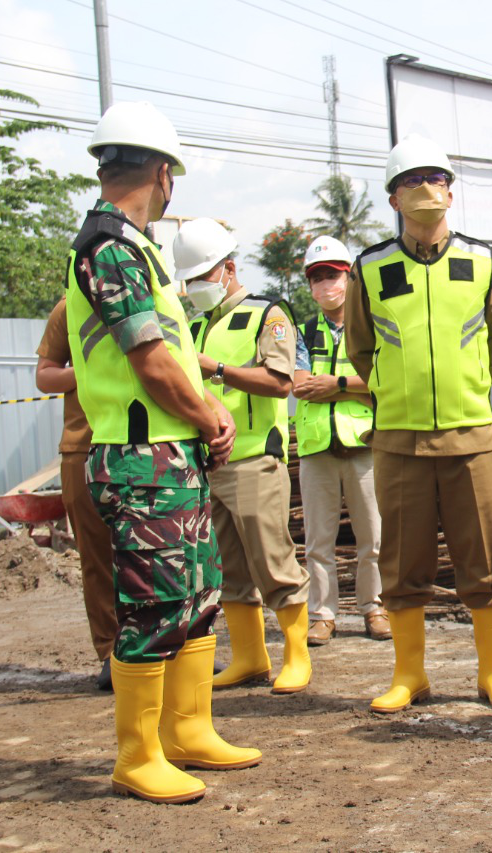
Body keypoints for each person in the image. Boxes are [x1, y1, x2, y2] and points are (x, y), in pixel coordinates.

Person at [67, 101, 259, 803]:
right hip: (140, 455)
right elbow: (150, 360)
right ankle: (137, 753)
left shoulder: (138, 246)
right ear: (160, 171)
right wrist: (208, 411)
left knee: (197, 594)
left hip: (169, 454)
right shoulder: (109, 247)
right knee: (154, 606)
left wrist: (198, 424)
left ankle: (189, 729)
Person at [347, 134, 492, 715]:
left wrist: (470, 382)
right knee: (400, 561)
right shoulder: (369, 267)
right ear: (392, 197)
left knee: (487, 558)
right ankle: (409, 675)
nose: (426, 189)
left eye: (437, 178)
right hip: (398, 438)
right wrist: (397, 391)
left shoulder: (482, 260)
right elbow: (361, 348)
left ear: (452, 191)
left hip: (472, 433)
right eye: (411, 180)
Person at [172, 218, 312, 695]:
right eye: (188, 280)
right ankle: (250, 658)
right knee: (226, 567)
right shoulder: (190, 323)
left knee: (273, 561)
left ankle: (297, 656)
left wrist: (218, 369)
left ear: (229, 269)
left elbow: (281, 381)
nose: (194, 288)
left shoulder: (267, 314)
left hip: (255, 459)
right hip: (206, 462)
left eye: (202, 277)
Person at [293, 235, 389, 645]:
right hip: (317, 450)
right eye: (317, 278)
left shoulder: (371, 328)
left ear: (349, 278)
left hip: (365, 445)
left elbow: (384, 382)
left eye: (332, 275)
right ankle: (323, 615)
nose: (324, 285)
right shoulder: (302, 331)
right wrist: (353, 385)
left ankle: (374, 609)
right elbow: (298, 385)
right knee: (318, 542)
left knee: (374, 537)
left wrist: (337, 384)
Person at [35, 297, 118, 691]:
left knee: (160, 554)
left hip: (146, 442)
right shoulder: (69, 309)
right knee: (97, 557)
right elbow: (46, 376)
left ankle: (172, 646)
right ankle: (111, 652)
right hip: (84, 447)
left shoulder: (152, 294)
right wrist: (86, 371)